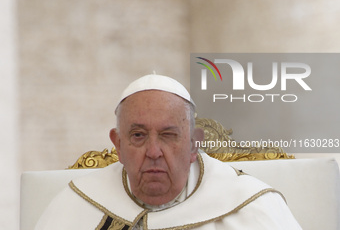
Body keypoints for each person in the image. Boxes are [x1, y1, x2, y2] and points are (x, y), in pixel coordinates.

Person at [35, 74, 302, 230]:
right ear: (117, 144)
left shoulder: (252, 206)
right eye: (138, 136)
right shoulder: (76, 204)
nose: (153, 151)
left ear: (194, 144)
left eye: (169, 135)